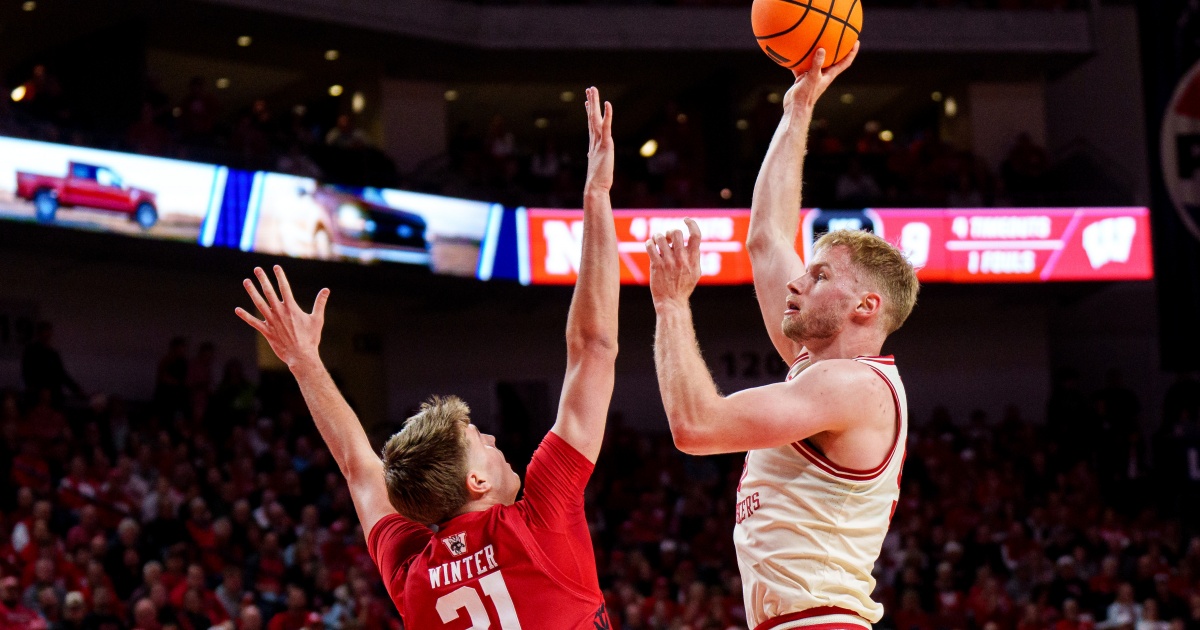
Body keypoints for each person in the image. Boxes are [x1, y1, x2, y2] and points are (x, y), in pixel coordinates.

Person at [234, 86, 620, 628]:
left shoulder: (413, 573)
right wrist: (597, 195)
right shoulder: (539, 521)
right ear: (476, 484)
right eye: (478, 443)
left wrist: (303, 364)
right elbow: (594, 347)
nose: (491, 439)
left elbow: (358, 468)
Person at [646, 43, 921, 630]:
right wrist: (798, 109)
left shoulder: (852, 387)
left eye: (819, 275)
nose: (796, 281)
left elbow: (696, 426)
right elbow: (768, 238)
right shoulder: (817, 368)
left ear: (865, 306)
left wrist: (671, 306)